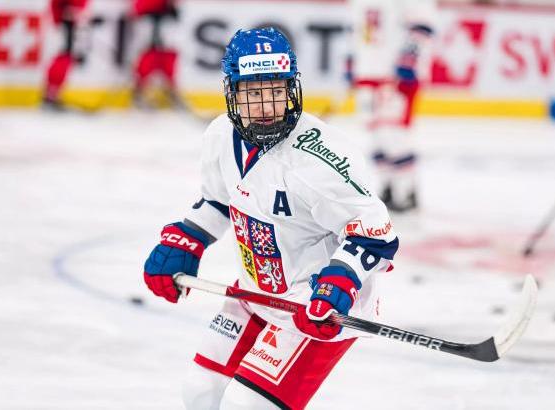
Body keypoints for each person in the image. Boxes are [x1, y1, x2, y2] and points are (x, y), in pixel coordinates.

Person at [143, 28, 398, 409]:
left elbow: (374, 233)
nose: (266, 106)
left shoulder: (318, 158)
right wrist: (186, 239)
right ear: (232, 93)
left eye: (276, 92)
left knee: (245, 406)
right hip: (255, 291)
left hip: (311, 306)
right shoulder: (219, 136)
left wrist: (337, 283)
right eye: (253, 93)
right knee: (199, 391)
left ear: (291, 90)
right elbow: (217, 200)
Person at [349, 0, 436, 212]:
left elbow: (422, 25)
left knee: (395, 136)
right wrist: (351, 61)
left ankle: (406, 191)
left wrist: (409, 61)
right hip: (367, 75)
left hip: (395, 77)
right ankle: (387, 187)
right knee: (376, 136)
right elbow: (357, 31)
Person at [130, 0, 180, 108]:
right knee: (150, 55)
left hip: (161, 18)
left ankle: (167, 89)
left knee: (166, 55)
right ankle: (140, 91)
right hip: (149, 17)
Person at [42, 0, 90, 109]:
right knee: (63, 58)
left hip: (71, 20)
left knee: (66, 57)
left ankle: (52, 94)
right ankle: (51, 94)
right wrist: (68, 10)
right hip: (64, 20)